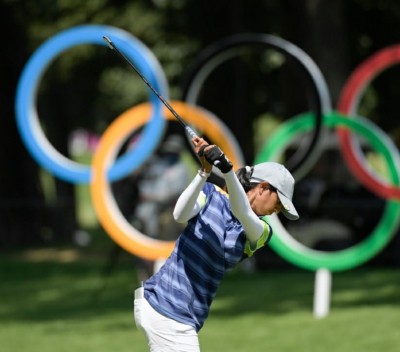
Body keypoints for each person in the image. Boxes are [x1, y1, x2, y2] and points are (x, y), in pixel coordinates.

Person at [134, 136, 299, 352]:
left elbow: (241, 211)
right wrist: (204, 172)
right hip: (168, 306)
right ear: (263, 188)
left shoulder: (262, 231)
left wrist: (226, 170)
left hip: (182, 315)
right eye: (279, 203)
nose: (277, 211)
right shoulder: (210, 194)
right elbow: (179, 214)